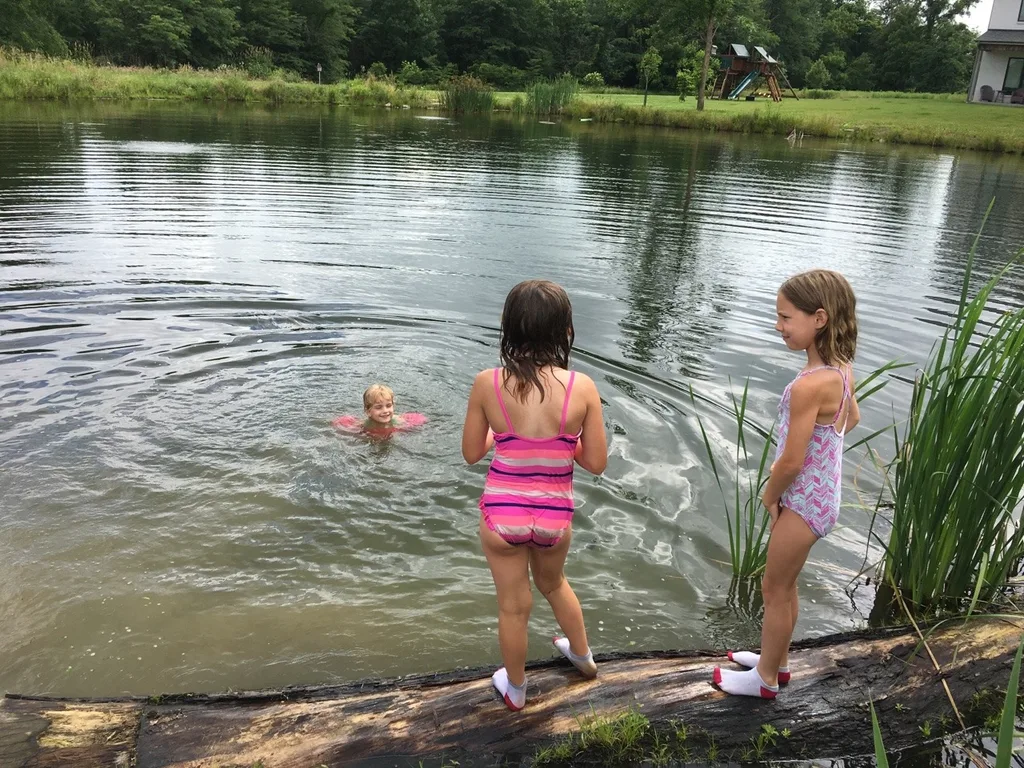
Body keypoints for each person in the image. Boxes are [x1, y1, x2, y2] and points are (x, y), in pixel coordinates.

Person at [461, 279, 608, 712]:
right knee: (554, 583)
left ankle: (517, 689)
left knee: (513, 606)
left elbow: (471, 453)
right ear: (566, 332)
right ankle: (583, 657)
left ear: (509, 330)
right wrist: (563, 441)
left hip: (502, 515)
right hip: (553, 517)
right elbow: (596, 462)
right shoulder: (582, 387)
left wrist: (501, 434)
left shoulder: (487, 383)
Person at [714, 269, 860, 699]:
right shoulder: (841, 370)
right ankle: (773, 662)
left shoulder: (809, 386)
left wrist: (770, 494)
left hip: (801, 503)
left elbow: (792, 460)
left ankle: (763, 683)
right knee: (788, 584)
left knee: (773, 589)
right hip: (823, 499)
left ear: (819, 318)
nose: (778, 326)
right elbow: (851, 419)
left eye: (784, 317)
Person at [332, 384, 427, 434]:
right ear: (368, 411)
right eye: (378, 407)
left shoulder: (399, 421)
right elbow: (341, 424)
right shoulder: (363, 426)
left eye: (389, 405)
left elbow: (421, 420)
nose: (385, 411)